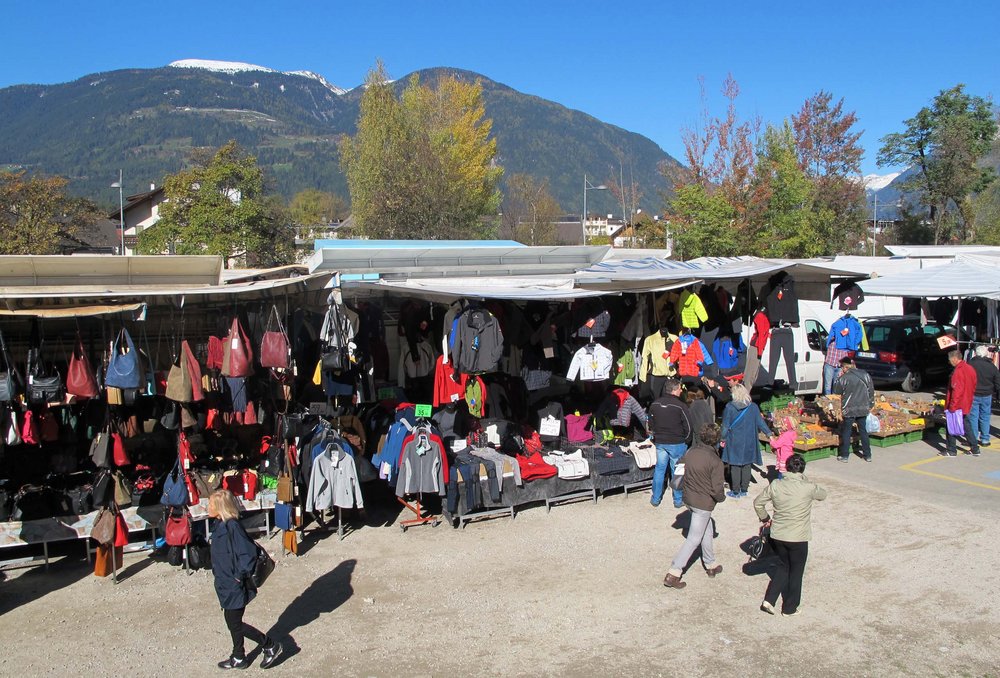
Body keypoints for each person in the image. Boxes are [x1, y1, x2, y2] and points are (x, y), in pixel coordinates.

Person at [209, 489, 283, 670]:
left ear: (220, 507)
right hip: (224, 582)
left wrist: (238, 577)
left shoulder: (232, 526)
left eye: (210, 504)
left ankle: (269, 645)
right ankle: (239, 656)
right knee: (231, 620)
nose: (207, 507)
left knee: (235, 623)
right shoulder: (219, 524)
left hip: (234, 583)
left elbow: (247, 553)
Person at [753, 453, 827, 616]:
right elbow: (823, 495)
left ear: (786, 467)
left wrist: (765, 518)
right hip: (798, 536)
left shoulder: (776, 485)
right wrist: (805, 480)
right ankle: (789, 608)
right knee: (796, 572)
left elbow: (758, 503)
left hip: (778, 534)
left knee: (783, 565)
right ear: (802, 469)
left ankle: (769, 600)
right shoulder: (808, 487)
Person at [663, 423, 726, 589]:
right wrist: (721, 498)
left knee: (707, 529)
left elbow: (679, 468)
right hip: (703, 503)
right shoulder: (715, 461)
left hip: (689, 498)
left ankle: (710, 564)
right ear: (717, 440)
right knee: (694, 538)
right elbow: (717, 489)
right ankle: (674, 572)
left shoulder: (690, 452)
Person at [720, 383, 771, 497]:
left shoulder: (730, 407)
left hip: (734, 440)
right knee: (747, 464)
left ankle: (735, 491)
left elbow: (725, 426)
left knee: (735, 465)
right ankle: (744, 490)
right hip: (749, 440)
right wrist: (769, 433)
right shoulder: (753, 407)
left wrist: (722, 438)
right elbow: (760, 422)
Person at [647, 378, 692, 508]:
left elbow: (650, 424)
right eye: (679, 389)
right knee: (677, 471)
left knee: (659, 470)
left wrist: (656, 437)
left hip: (660, 442)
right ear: (674, 390)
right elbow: (689, 427)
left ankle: (655, 498)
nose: (681, 391)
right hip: (676, 442)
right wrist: (686, 441)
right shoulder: (681, 406)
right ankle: (678, 500)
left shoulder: (655, 404)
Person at [833, 356, 874, 463]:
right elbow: (871, 391)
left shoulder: (844, 378)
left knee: (847, 431)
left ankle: (845, 456)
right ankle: (868, 455)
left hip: (849, 408)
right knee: (863, 431)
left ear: (846, 367)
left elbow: (837, 391)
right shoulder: (865, 375)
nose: (842, 369)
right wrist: (870, 404)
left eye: (842, 367)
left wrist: (839, 378)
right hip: (863, 407)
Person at [944, 349, 979, 457]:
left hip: (958, 404)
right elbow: (974, 384)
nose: (949, 362)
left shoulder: (958, 372)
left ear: (955, 359)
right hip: (966, 402)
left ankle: (951, 450)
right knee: (966, 425)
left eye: (950, 360)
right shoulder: (970, 368)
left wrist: (952, 407)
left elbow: (957, 391)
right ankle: (975, 448)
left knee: (951, 426)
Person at [967, 345, 999, 449]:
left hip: (974, 394)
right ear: (986, 354)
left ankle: (974, 438)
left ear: (975, 353)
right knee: (985, 417)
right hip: (987, 394)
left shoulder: (970, 364)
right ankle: (985, 439)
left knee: (973, 417)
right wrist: (995, 392)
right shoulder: (991, 366)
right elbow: (997, 380)